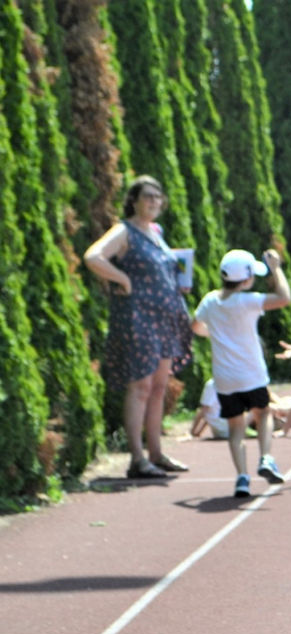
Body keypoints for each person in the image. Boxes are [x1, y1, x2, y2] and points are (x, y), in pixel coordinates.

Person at [83, 175, 193, 479]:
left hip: (164, 318)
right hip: (136, 317)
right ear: (134, 200)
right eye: (148, 197)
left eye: (158, 197)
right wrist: (123, 279)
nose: (154, 202)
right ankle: (136, 459)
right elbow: (93, 256)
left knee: (159, 387)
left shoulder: (156, 232)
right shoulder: (124, 230)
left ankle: (156, 454)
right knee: (141, 386)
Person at [191, 248, 291, 497]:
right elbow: (284, 297)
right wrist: (276, 268)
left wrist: (212, 332)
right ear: (246, 279)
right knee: (264, 412)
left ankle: (242, 478)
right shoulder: (248, 301)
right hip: (252, 374)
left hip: (224, 379)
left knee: (236, 428)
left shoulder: (211, 301)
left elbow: (195, 325)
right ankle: (266, 457)